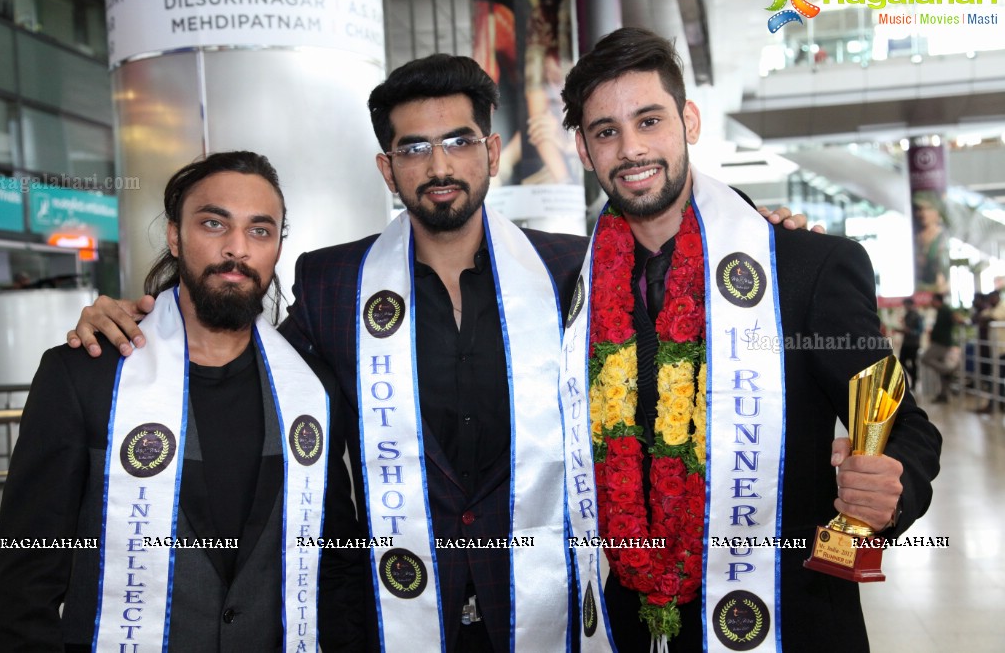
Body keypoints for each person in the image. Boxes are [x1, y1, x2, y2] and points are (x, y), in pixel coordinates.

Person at [65, 57, 813, 652]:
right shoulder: (332, 282)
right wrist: (145, 317)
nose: (439, 164)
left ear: (489, 151)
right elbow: (243, 360)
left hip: (549, 600)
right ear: (387, 170)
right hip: (396, 607)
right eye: (413, 148)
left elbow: (679, 325)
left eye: (458, 141)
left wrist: (764, 235)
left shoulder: (576, 270)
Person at [558, 27, 941, 652]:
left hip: (786, 616)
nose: (631, 149)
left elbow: (903, 423)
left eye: (649, 120)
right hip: (631, 620)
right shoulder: (571, 292)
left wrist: (893, 486)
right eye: (606, 132)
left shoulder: (802, 268)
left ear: (689, 120)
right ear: (583, 148)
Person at [0, 152, 366, 651]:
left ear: (277, 246)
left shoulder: (312, 388)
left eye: (260, 230)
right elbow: (26, 578)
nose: (237, 249)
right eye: (214, 223)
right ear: (174, 236)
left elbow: (335, 556)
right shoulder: (85, 374)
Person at [921, 293, 958, 403]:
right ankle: (943, 394)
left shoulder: (945, 310)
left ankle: (947, 370)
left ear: (937, 300)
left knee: (925, 358)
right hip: (940, 342)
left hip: (942, 343)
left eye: (933, 300)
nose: (931, 302)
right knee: (941, 370)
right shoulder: (941, 311)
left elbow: (955, 318)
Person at [897, 297, 923, 387]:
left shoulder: (917, 316)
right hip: (906, 342)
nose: (905, 307)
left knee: (913, 362)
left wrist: (910, 331)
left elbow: (920, 330)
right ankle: (914, 376)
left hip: (914, 343)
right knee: (901, 361)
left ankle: (914, 381)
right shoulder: (907, 315)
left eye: (906, 305)